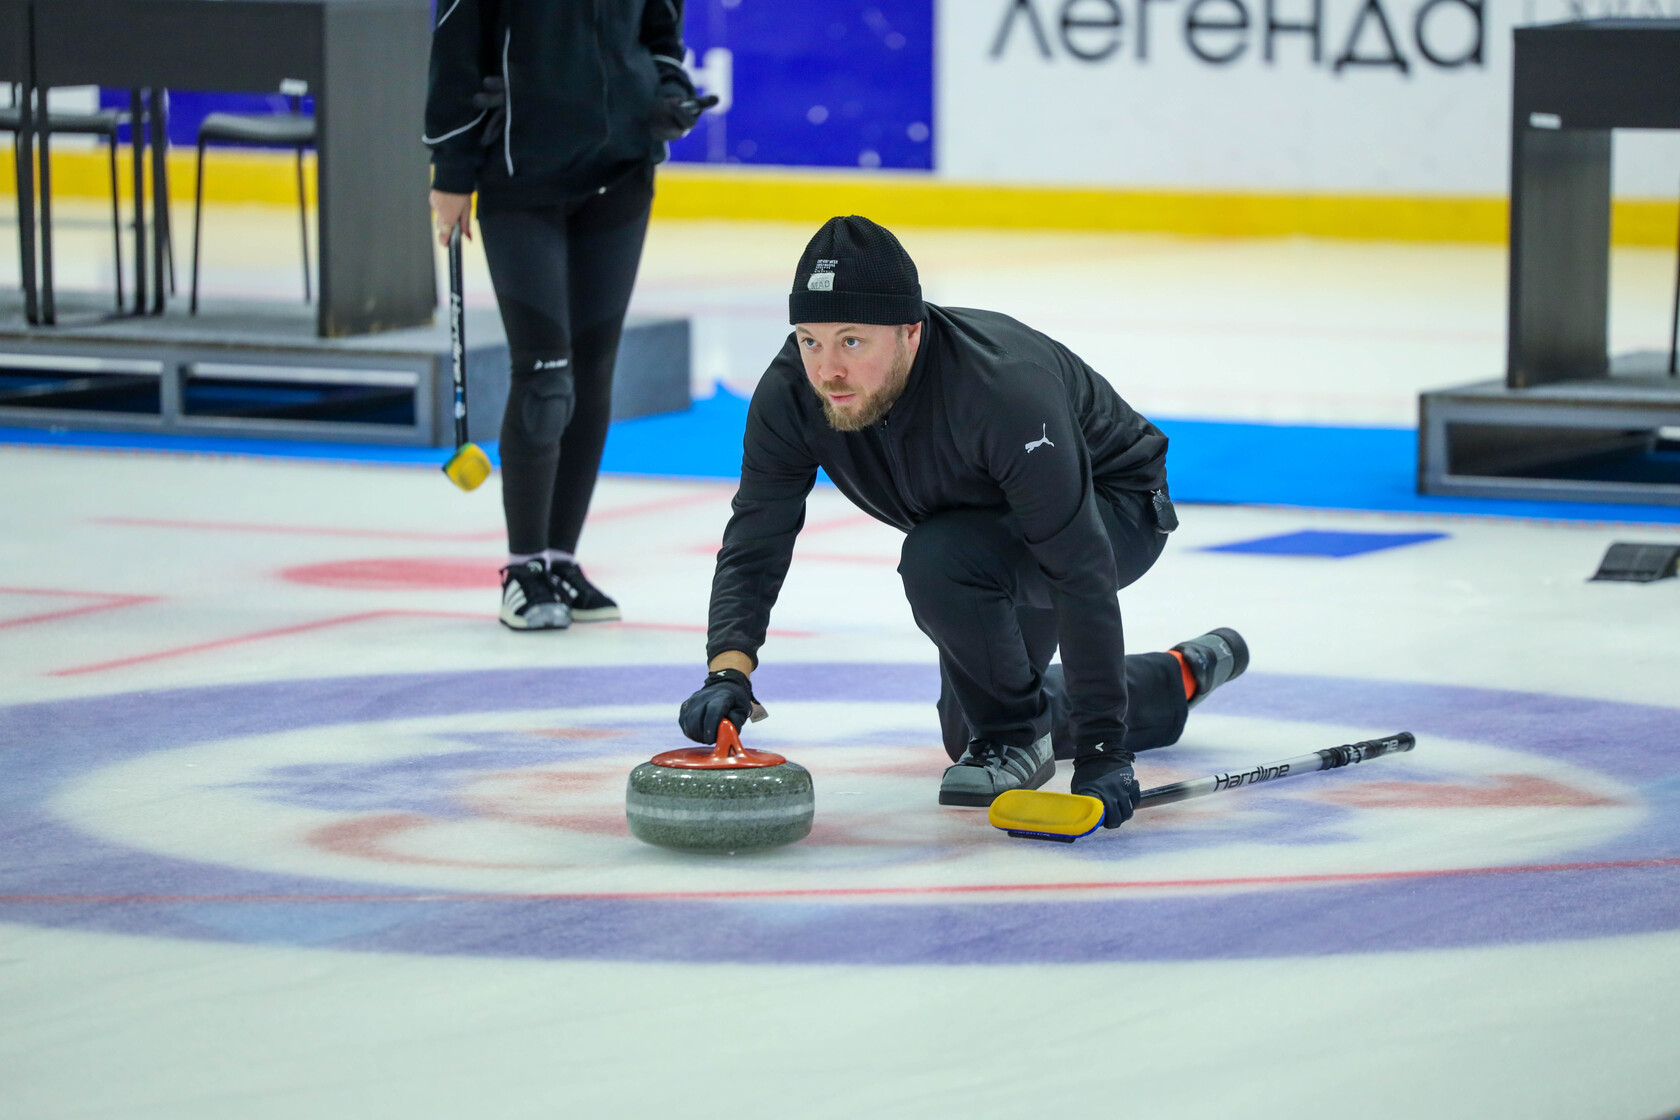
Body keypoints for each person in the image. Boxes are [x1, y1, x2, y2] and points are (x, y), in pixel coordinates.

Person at [678, 216, 1248, 829]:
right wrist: (727, 670)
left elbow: (1078, 570)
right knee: (970, 732)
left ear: (910, 332)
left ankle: (1022, 731)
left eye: (851, 341)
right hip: (984, 527)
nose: (827, 370)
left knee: (943, 567)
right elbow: (757, 533)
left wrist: (1107, 751)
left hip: (1112, 508)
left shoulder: (1001, 391)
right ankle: (1176, 676)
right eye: (809, 339)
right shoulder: (793, 392)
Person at [423, 0, 714, 631]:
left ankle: (560, 560)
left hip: (622, 175)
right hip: (519, 175)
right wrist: (450, 168)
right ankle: (523, 569)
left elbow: (660, 35)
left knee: (593, 373)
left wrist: (667, 93)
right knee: (546, 374)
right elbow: (454, 47)